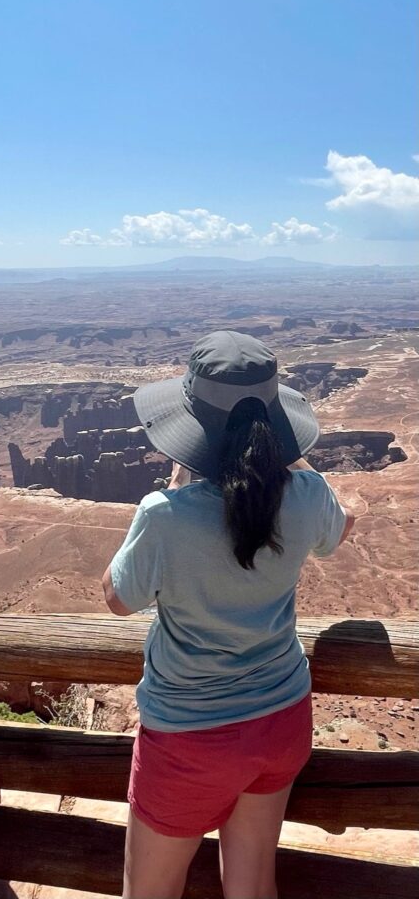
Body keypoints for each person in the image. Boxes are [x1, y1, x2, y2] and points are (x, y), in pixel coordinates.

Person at [101, 330, 355, 899]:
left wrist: (173, 489)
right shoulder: (308, 493)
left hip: (189, 737)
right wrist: (291, 463)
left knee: (150, 891)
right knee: (251, 886)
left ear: (193, 426)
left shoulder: (164, 515)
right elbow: (340, 533)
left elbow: (118, 600)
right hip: (282, 719)